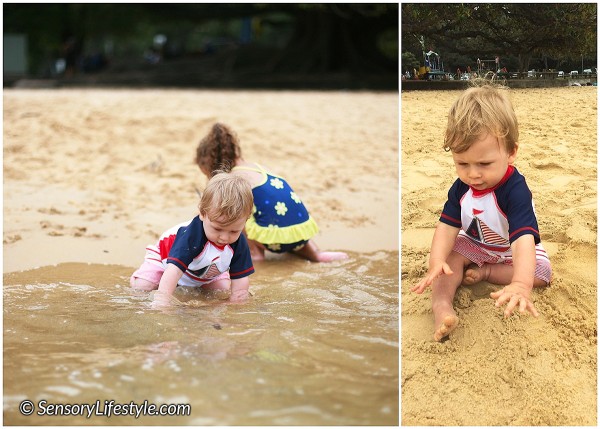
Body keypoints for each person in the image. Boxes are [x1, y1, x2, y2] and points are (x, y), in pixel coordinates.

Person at [411, 82, 552, 342]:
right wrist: (436, 261)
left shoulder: (516, 190)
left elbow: (523, 240)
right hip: (477, 243)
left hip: (512, 250)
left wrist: (521, 284)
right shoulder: (461, 188)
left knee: (540, 275)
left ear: (511, 153)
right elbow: (446, 226)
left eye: (484, 164)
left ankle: (487, 273)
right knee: (449, 263)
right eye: (462, 163)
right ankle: (442, 308)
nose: (473, 174)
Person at [195, 123, 349, 263]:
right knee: (277, 214)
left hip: (274, 242)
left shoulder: (234, 179)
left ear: (211, 162)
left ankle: (254, 254)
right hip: (300, 234)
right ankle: (316, 254)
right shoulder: (257, 168)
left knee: (234, 212)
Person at [130, 171, 255, 306]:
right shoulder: (191, 235)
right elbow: (174, 271)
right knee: (143, 287)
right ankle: (138, 278)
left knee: (222, 291)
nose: (224, 237)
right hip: (165, 262)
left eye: (234, 231)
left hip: (206, 272)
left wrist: (238, 304)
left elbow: (241, 280)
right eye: (217, 229)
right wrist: (162, 302)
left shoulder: (239, 242)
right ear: (202, 213)